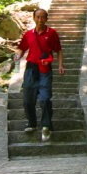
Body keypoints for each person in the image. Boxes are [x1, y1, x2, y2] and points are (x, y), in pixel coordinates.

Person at [14, 8, 65, 142]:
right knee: (27, 100)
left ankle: (46, 126)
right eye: (37, 17)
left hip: (45, 69)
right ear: (33, 18)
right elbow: (21, 47)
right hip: (30, 69)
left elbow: (58, 50)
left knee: (45, 99)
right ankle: (31, 123)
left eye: (43, 17)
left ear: (46, 18)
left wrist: (60, 65)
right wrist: (18, 54)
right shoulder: (29, 34)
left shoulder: (52, 33)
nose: (40, 20)